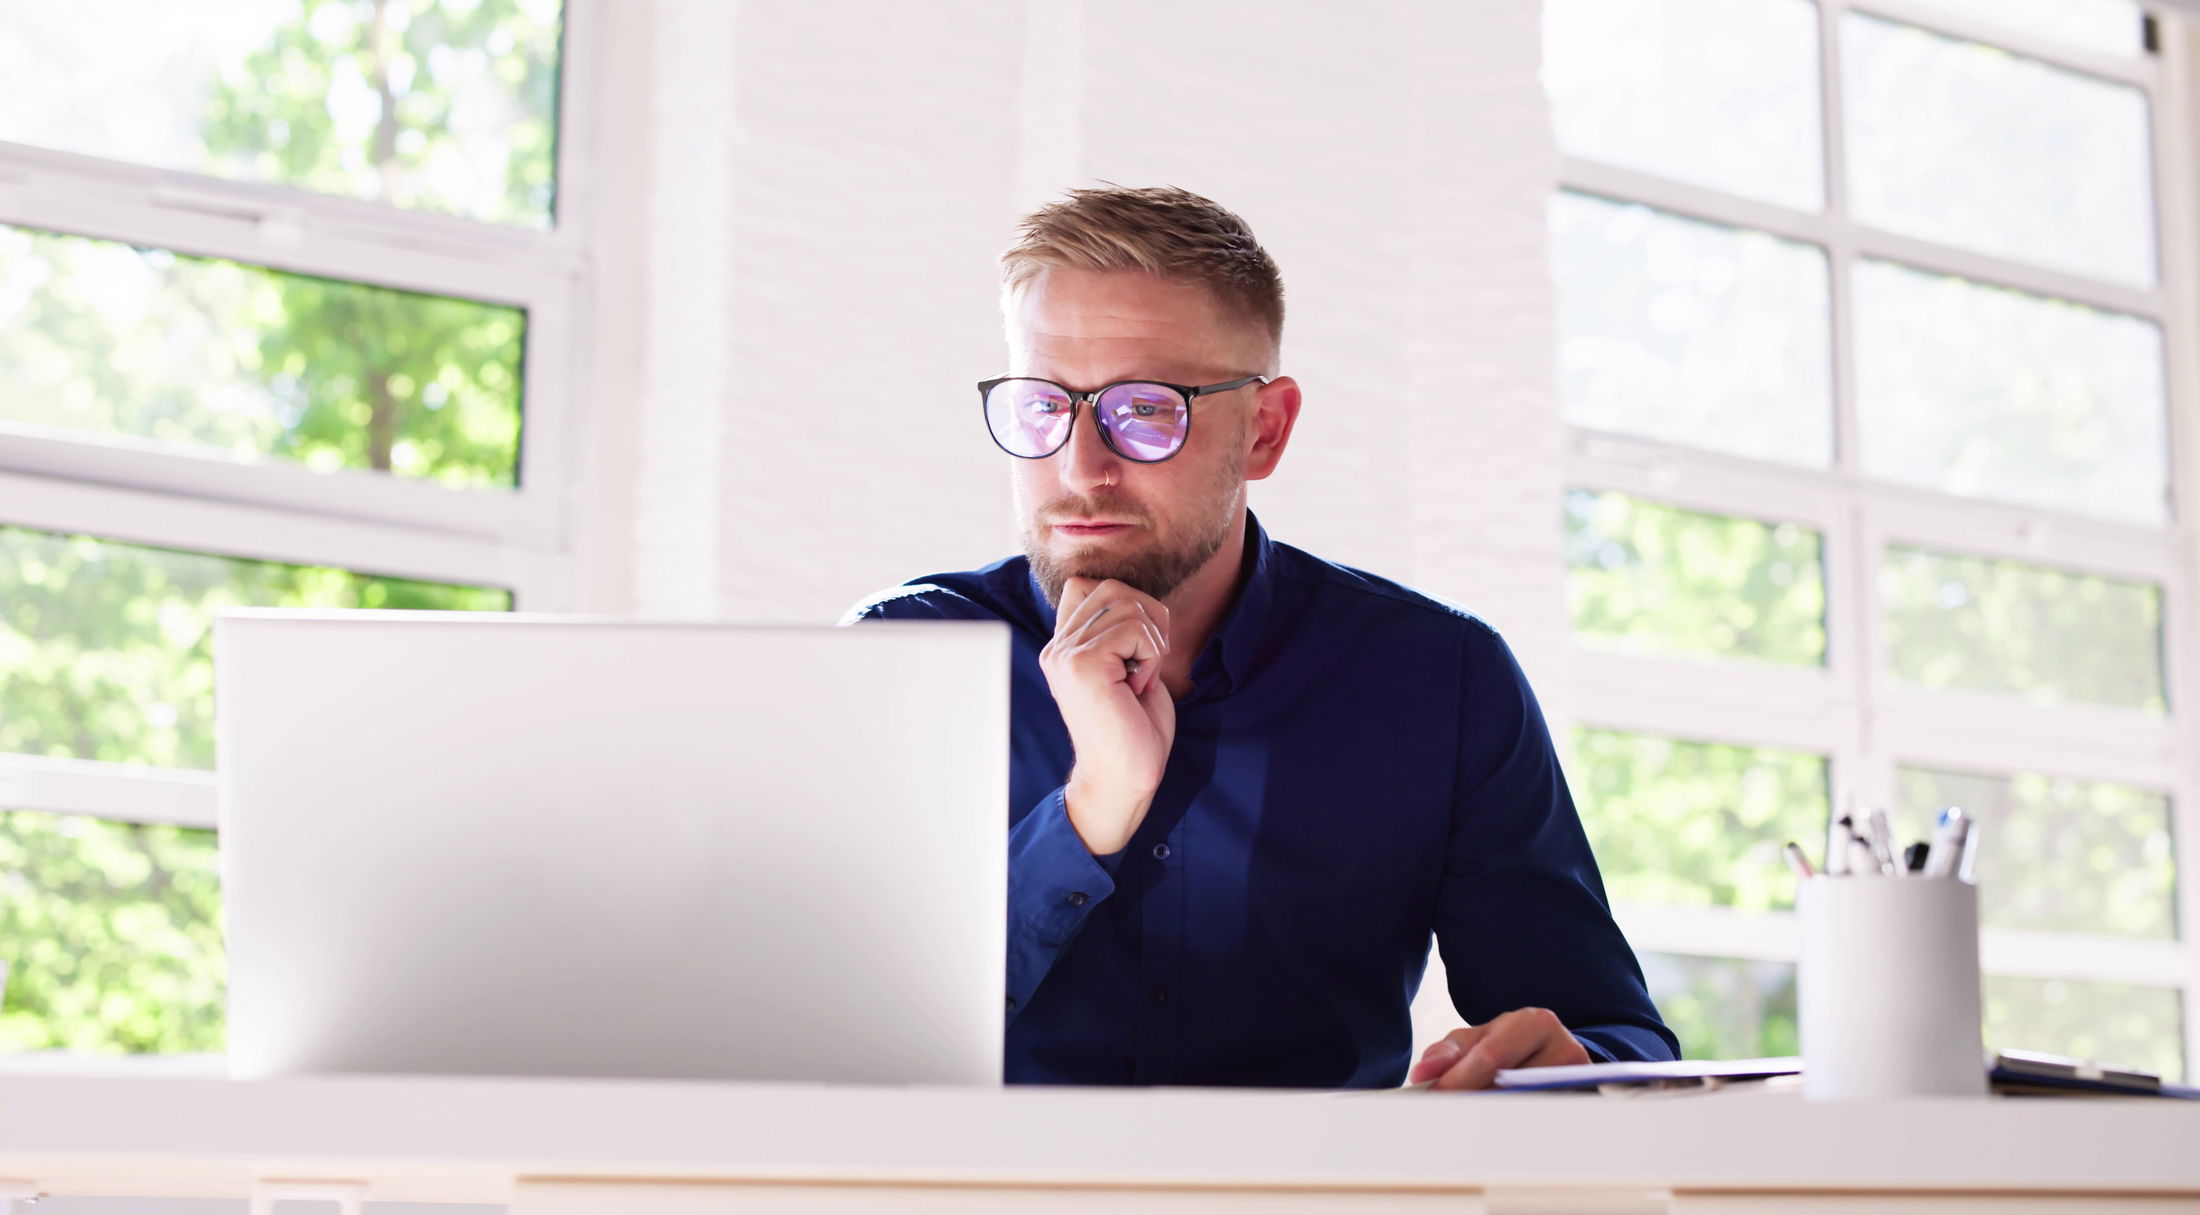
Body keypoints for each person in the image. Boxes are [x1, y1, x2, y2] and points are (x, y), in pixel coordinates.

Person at [844, 185, 1676, 1089]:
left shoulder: (1441, 680)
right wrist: (1093, 809)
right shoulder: (897, 661)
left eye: (1145, 410)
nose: (1080, 468)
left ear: (1265, 430)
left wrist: (1578, 1069)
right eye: (1044, 405)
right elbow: (843, 1038)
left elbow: (1615, 1037)